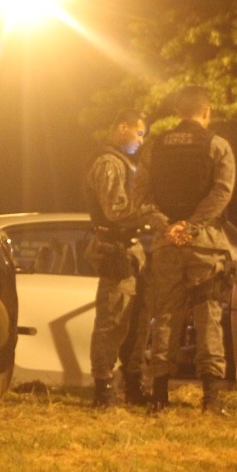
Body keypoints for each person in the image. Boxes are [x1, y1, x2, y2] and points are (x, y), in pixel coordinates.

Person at [134, 85, 236, 414]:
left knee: (164, 316)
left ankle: (159, 396)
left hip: (167, 243)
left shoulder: (154, 147)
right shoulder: (218, 146)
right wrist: (191, 227)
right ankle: (211, 398)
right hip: (204, 244)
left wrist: (168, 227)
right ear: (206, 112)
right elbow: (221, 194)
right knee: (209, 317)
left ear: (177, 112)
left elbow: (141, 198)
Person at [83, 109, 167, 407]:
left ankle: (133, 384)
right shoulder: (108, 163)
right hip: (115, 249)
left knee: (138, 320)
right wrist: (151, 213)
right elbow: (116, 210)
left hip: (131, 250)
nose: (140, 141)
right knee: (113, 320)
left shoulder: (120, 163)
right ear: (122, 127)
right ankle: (103, 388)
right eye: (139, 133)